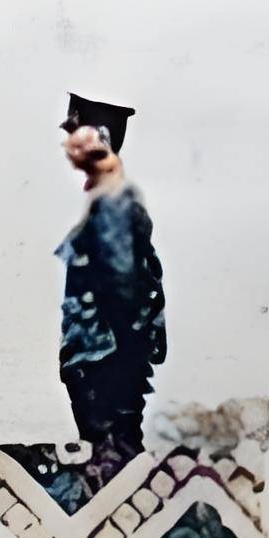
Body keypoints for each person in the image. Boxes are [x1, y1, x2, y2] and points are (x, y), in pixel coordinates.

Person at [55, 94, 165, 460]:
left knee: (113, 457)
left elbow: (125, 286)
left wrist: (104, 362)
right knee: (112, 456)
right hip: (100, 355)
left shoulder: (113, 203)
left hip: (103, 359)